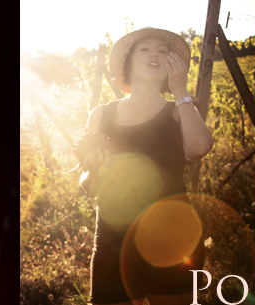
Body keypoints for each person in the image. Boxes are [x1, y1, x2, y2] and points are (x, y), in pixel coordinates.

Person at [77, 27, 212, 305]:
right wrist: (94, 169)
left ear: (170, 65)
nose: (154, 53)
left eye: (162, 50)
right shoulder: (101, 114)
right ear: (128, 63)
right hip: (114, 240)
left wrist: (180, 90)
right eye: (144, 48)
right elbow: (88, 186)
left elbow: (199, 148)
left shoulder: (177, 110)